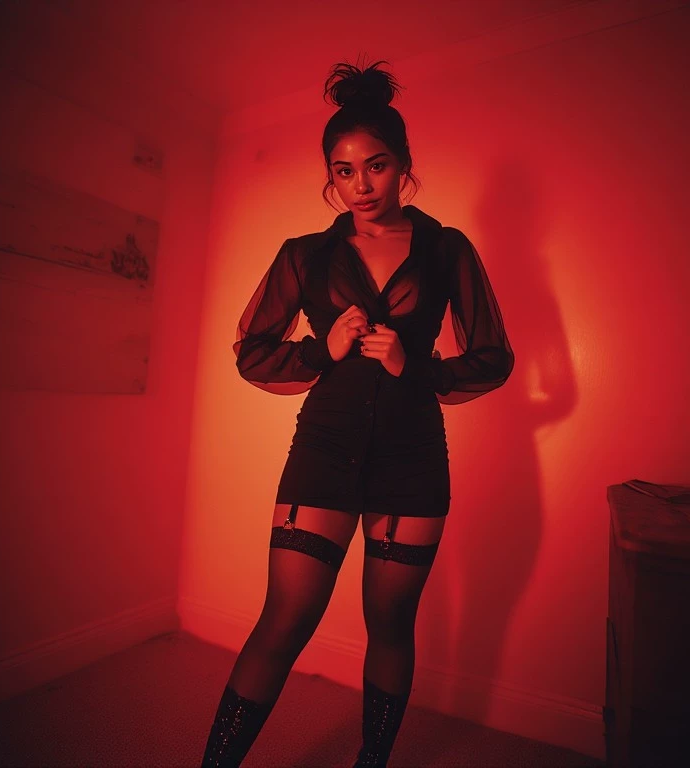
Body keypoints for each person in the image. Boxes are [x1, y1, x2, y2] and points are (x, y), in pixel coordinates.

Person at [201, 60, 514, 768]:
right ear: (331, 178)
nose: (362, 185)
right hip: (326, 445)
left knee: (391, 625)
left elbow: (492, 357)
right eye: (344, 171)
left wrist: (415, 366)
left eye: (376, 166)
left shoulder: (445, 248)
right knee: (284, 619)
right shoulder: (305, 256)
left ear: (403, 166)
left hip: (412, 454)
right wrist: (323, 349)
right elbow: (253, 352)